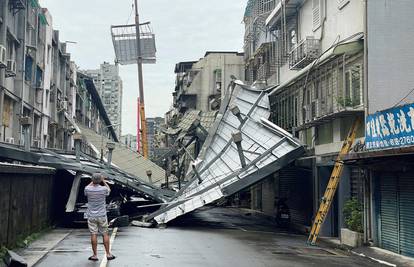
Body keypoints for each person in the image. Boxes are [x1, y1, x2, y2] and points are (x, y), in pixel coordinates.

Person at [84, 173, 116, 261]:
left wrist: (94, 180)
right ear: (100, 180)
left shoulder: (87, 189)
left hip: (91, 215)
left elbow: (88, 186)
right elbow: (109, 189)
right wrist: (103, 181)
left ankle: (94, 255)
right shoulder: (104, 189)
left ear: (92, 180)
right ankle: (108, 254)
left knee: (93, 234)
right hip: (102, 215)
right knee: (105, 233)